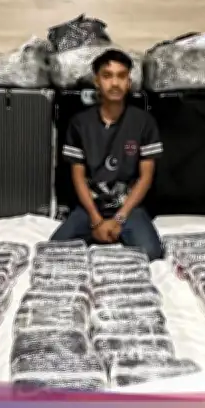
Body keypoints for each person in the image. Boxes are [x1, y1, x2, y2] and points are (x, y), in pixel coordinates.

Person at [50, 49, 164, 261]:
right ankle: (103, 233)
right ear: (97, 81)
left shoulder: (144, 122)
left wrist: (119, 219)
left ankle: (111, 233)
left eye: (121, 76)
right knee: (55, 249)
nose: (114, 83)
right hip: (90, 208)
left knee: (152, 252)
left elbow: (146, 177)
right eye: (107, 76)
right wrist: (96, 220)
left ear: (129, 82)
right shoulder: (80, 123)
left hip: (129, 208)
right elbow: (78, 176)